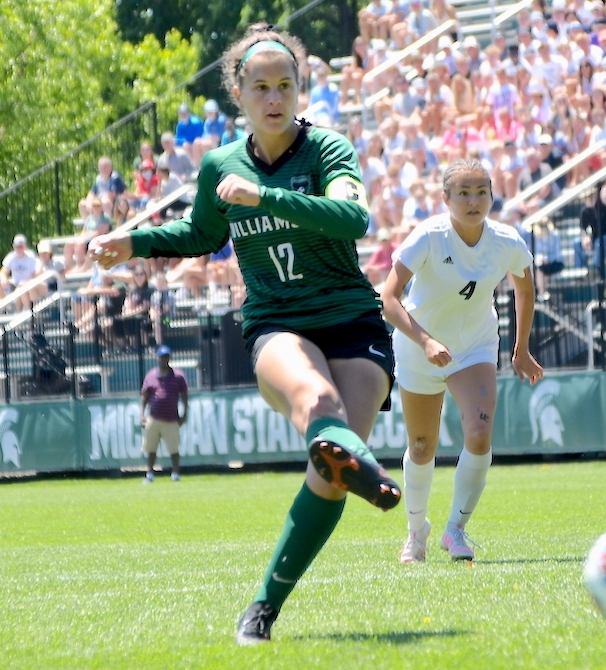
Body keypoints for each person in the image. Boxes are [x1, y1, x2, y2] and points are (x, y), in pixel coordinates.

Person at [88, 24, 402, 645]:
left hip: (352, 319)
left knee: (329, 473)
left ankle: (262, 606)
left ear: (300, 89)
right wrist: (135, 241)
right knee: (319, 404)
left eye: (285, 84)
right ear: (238, 94)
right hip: (278, 321)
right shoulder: (220, 164)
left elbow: (353, 217)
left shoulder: (328, 149)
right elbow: (202, 233)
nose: (274, 97)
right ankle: (357, 466)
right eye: (260, 87)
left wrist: (265, 197)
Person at [380, 158, 544, 564]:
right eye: (464, 193)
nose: (474, 201)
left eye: (481, 192)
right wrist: (425, 341)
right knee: (422, 446)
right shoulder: (429, 236)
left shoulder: (507, 241)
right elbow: (387, 299)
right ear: (445, 198)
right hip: (418, 346)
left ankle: (455, 529)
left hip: (474, 346)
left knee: (479, 433)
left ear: (492, 195)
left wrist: (521, 348)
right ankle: (416, 533)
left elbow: (525, 289)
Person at [140, 345, 189, 483]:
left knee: (173, 449)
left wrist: (184, 414)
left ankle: (175, 474)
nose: (164, 360)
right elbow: (144, 397)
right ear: (157, 358)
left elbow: (184, 395)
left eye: (166, 357)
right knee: (151, 448)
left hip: (171, 419)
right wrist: (141, 414)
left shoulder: (178, 376)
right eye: (162, 357)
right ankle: (150, 474)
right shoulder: (151, 376)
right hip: (154, 418)